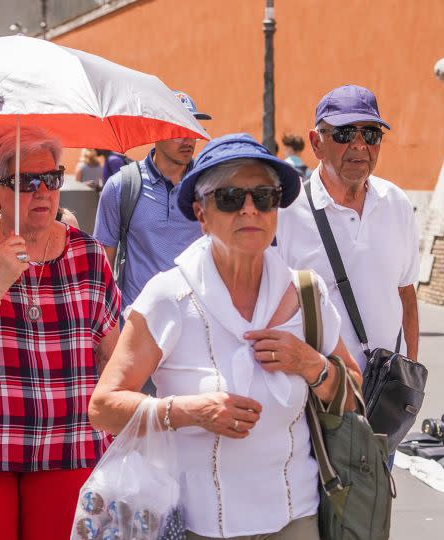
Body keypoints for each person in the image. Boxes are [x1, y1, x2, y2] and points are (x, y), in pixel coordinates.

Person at [89, 133, 360, 540]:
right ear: (201, 214)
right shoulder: (170, 296)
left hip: (296, 517)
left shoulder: (307, 294)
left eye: (264, 196)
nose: (250, 209)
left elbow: (354, 391)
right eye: (231, 197)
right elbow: (104, 406)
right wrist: (187, 412)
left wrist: (311, 364)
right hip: (200, 524)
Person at [0, 126, 121, 540]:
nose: (44, 192)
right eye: (27, 182)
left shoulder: (87, 255)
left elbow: (111, 352)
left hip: (69, 445)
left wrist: (120, 423)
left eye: (52, 179)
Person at [276, 84, 420, 374]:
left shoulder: (396, 204)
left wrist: (411, 375)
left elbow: (406, 294)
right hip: (316, 396)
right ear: (316, 143)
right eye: (344, 134)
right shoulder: (286, 213)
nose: (359, 145)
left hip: (385, 395)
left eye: (370, 134)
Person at [93, 89, 210, 311]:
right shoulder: (121, 187)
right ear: (154, 130)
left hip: (197, 327)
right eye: (178, 129)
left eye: (192, 130)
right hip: (136, 329)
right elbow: (102, 268)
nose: (188, 140)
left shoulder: (210, 187)